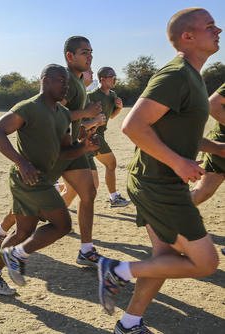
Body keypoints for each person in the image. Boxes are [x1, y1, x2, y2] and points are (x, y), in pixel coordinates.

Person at [97, 8, 222, 333]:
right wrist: (178, 162)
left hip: (158, 180)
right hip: (158, 182)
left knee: (163, 257)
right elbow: (133, 125)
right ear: (188, 36)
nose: (218, 29)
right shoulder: (176, 74)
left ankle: (129, 322)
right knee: (206, 262)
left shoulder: (193, 77)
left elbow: (180, 133)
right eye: (210, 26)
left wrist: (219, 149)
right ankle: (116, 270)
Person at [0, 64, 99, 295]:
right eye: (60, 81)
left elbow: (64, 152)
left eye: (67, 82)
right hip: (29, 179)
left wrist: (84, 148)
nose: (65, 86)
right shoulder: (29, 108)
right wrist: (21, 162)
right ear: (45, 80)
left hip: (39, 179)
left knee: (23, 233)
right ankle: (16, 255)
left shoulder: (63, 114)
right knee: (62, 225)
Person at [87, 67, 131, 207]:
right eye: (112, 76)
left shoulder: (112, 95)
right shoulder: (91, 95)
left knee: (88, 176)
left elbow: (111, 116)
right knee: (111, 164)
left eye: (115, 76)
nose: (115, 79)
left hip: (100, 135)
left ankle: (58, 188)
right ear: (102, 79)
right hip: (92, 135)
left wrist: (118, 108)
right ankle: (114, 198)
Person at [191, 83, 225, 205]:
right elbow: (213, 104)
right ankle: (164, 217)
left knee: (203, 192)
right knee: (203, 192)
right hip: (221, 146)